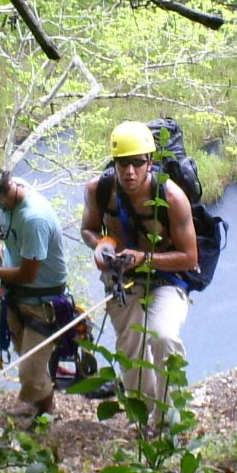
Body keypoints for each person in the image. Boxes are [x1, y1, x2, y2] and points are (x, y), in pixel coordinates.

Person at [80, 121, 198, 429]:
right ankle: (142, 415)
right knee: (130, 346)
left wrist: (144, 258)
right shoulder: (99, 190)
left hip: (167, 279)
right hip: (123, 280)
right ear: (114, 163)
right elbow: (88, 229)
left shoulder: (171, 197)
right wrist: (103, 243)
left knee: (163, 337)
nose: (130, 172)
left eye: (137, 163)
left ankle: (168, 418)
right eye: (123, 164)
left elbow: (189, 257)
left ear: (150, 162)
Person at [0, 155, 69, 420]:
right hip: (18, 296)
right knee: (24, 355)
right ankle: (43, 409)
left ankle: (41, 412)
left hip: (43, 300)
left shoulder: (33, 217)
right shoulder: (7, 193)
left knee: (30, 368)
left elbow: (29, 273)